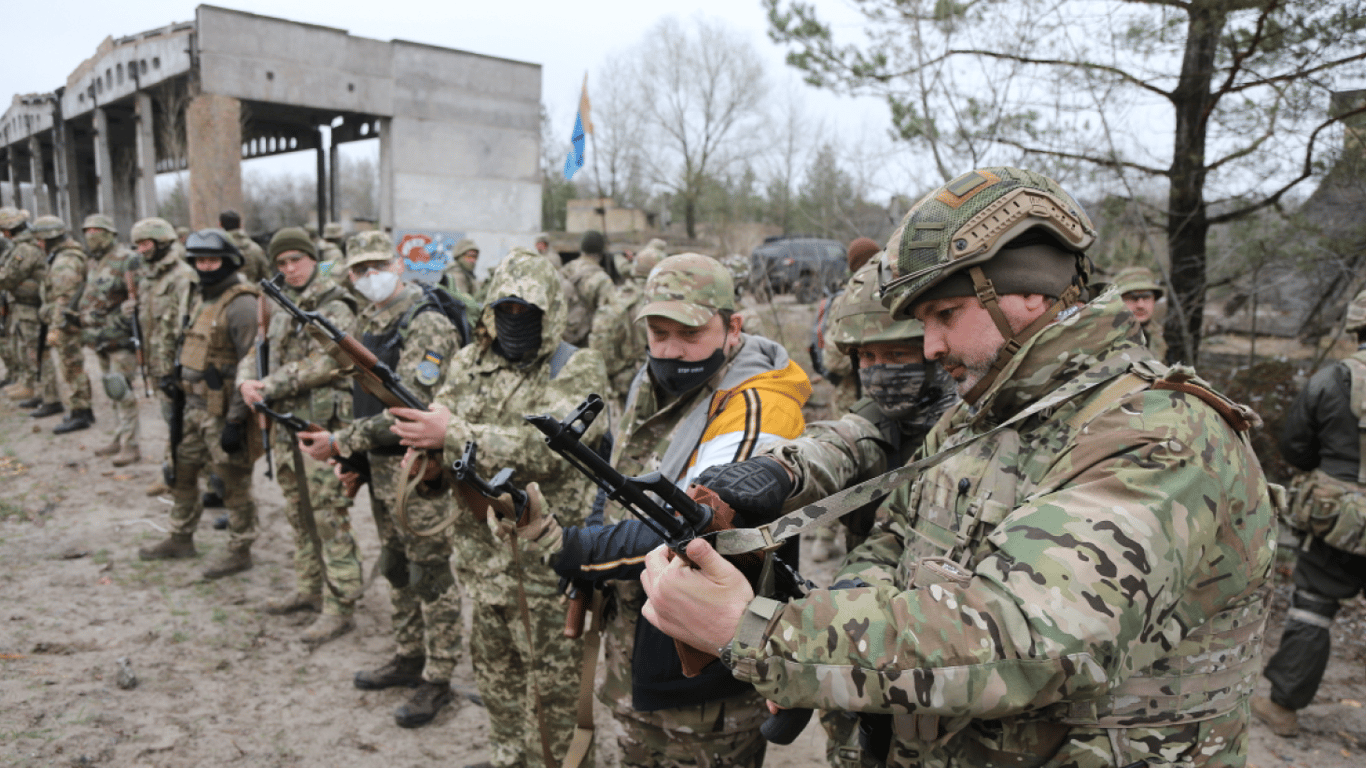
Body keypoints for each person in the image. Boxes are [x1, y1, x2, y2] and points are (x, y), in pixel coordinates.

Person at [642, 167, 1277, 768]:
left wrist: (762, 634)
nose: (930, 348)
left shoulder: (1158, 436)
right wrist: (830, 630)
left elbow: (1031, 639)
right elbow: (894, 541)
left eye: (945, 316)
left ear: (1030, 293)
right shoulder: (983, 416)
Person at [512, 253, 812, 768]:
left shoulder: (760, 407)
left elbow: (696, 527)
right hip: (645, 642)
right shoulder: (651, 384)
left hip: (707, 680)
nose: (671, 351)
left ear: (732, 327)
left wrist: (574, 549)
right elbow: (620, 476)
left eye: (689, 334)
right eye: (658, 333)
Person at [392, 248, 607, 768]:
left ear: (549, 311)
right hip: (482, 561)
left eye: (527, 311)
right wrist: (429, 460)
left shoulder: (578, 367)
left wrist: (454, 434)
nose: (515, 321)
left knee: (553, 703)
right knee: (498, 686)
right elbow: (445, 441)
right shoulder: (468, 363)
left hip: (545, 569)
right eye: (505, 309)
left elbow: (553, 448)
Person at [296, 231, 466, 729]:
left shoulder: (427, 324)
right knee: (395, 563)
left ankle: (438, 676)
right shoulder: (369, 321)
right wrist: (354, 460)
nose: (370, 276)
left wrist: (341, 441)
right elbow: (361, 396)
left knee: (430, 571)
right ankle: (409, 654)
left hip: (420, 470)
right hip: (380, 465)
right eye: (358, 270)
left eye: (377, 265)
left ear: (397, 263)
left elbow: (413, 407)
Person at [236, 227, 363, 646]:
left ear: (312, 258)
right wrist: (245, 382)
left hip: (320, 426)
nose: (290, 269)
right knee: (297, 510)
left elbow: (326, 362)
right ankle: (309, 587)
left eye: (297, 260)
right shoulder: (276, 303)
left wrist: (268, 385)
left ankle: (340, 603)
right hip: (287, 423)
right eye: (283, 262)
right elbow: (255, 352)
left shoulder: (335, 304)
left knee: (328, 514)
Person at [1252, 288, 1366, 738]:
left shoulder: (1331, 379)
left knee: (1313, 608)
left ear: (1356, 326)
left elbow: (1296, 449)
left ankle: (1282, 708)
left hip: (1336, 520)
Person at [138, 229, 260, 581]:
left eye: (213, 260)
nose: (206, 267)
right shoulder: (198, 297)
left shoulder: (242, 304)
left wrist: (237, 421)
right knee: (182, 471)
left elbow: (250, 364)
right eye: (200, 260)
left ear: (229, 261)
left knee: (233, 481)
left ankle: (241, 548)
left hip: (223, 411)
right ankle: (180, 536)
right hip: (190, 406)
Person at [126, 217, 197, 497]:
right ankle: (176, 472)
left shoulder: (181, 277)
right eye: (138, 245)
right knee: (171, 421)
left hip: (175, 366)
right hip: (157, 362)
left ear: (162, 242)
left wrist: (176, 368)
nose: (141, 250)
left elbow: (185, 327)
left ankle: (176, 475)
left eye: (145, 243)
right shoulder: (149, 277)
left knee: (180, 423)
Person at [77, 214, 142, 465]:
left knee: (122, 391)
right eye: (87, 231)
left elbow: (136, 299)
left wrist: (123, 322)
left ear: (109, 233)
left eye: (97, 230)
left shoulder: (127, 259)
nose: (91, 236)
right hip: (98, 338)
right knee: (111, 392)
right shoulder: (94, 262)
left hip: (120, 339)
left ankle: (131, 445)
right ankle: (118, 438)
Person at [31, 216, 94, 433]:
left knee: (71, 366)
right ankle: (81, 409)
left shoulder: (64, 262)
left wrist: (56, 328)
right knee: (72, 365)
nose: (39, 244)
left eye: (40, 240)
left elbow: (64, 299)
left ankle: (81, 412)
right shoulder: (63, 257)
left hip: (66, 324)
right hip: (66, 321)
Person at [587, 245, 661, 407]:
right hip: (658, 379)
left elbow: (600, 345)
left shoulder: (616, 298)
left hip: (624, 381)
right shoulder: (660, 300)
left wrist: (615, 372)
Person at [0, 207, 46, 405]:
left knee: (31, 347)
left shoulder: (25, 249)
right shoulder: (19, 247)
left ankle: (37, 389)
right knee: (22, 345)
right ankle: (26, 383)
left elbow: (9, 278)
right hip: (21, 304)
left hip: (30, 305)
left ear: (9, 231)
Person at [562, 230, 615, 346]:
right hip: (586, 344)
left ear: (582, 248)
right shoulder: (602, 280)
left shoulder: (566, 269)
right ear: (601, 251)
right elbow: (609, 320)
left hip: (562, 340)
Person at [1113, 265, 1167, 361]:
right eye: (1132, 298)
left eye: (1146, 297)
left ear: (1154, 300)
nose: (1140, 305)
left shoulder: (1159, 336)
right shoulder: (1102, 337)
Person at [220, 210, 272, 284]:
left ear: (220, 225)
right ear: (240, 225)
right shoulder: (255, 248)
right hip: (252, 293)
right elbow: (266, 277)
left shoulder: (217, 250)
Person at [441, 237, 482, 302]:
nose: (472, 260)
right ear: (459, 255)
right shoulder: (457, 275)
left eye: (475, 257)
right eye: (469, 256)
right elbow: (463, 302)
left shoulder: (467, 273)